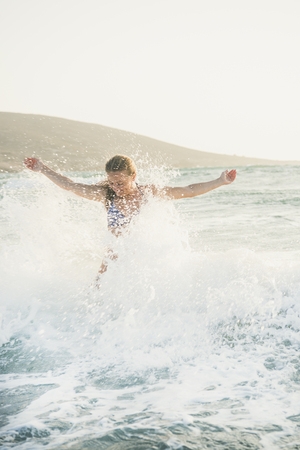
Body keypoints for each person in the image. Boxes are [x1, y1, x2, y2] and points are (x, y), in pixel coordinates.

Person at [24, 155, 236, 281]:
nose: (116, 188)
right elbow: (70, 185)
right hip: (114, 258)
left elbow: (188, 190)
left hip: (145, 258)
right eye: (112, 183)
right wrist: (42, 169)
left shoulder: (149, 193)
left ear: (133, 177)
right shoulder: (105, 194)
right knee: (96, 296)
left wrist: (220, 181)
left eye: (121, 183)